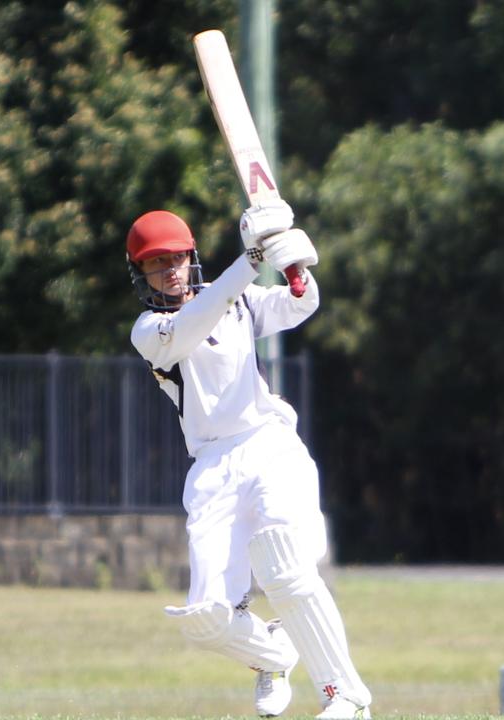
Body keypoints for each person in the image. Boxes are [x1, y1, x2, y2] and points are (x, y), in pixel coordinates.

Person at [125, 201, 372, 719]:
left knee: (284, 563)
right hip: (212, 467)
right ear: (141, 274)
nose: (168, 271)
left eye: (174, 259)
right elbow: (195, 322)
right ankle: (274, 655)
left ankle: (345, 695)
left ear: (191, 257)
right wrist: (251, 258)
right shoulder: (151, 331)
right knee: (206, 617)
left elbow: (297, 306)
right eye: (155, 264)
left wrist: (293, 266)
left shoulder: (238, 300)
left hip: (267, 442)